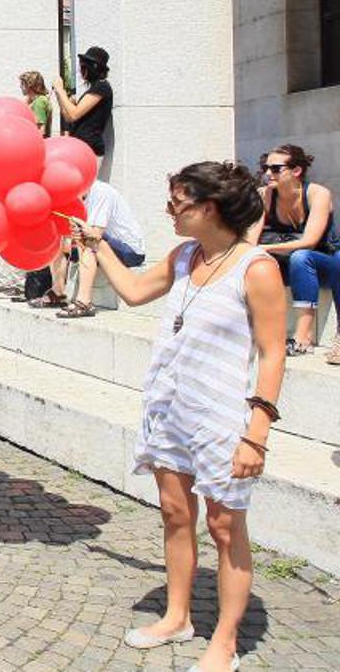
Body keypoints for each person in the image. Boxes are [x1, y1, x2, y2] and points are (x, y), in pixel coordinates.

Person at [75, 161, 283, 672]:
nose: (169, 210)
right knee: (174, 513)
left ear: (208, 207)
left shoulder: (255, 267)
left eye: (177, 202)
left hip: (222, 417)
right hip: (169, 408)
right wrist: (96, 244)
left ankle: (226, 642)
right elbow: (133, 291)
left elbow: (273, 352)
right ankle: (177, 616)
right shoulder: (185, 256)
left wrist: (256, 434)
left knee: (225, 526)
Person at [246, 144, 340, 358]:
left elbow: (310, 241)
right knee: (253, 261)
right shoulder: (266, 195)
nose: (268, 173)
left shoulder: (318, 194)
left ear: (296, 171)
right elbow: (251, 238)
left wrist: (264, 248)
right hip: (292, 268)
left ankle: (303, 337)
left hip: (327, 264)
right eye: (265, 167)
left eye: (276, 168)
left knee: (301, 256)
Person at [52, 179, 147, 318]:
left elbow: (95, 235)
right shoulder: (77, 199)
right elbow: (70, 241)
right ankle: (58, 294)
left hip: (130, 251)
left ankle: (84, 302)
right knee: (56, 242)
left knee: (90, 242)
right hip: (106, 245)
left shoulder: (101, 192)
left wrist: (76, 239)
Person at [53, 46, 113, 163]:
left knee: (86, 182)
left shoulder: (102, 86)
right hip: (80, 148)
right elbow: (68, 117)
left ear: (93, 67)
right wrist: (60, 96)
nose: (80, 70)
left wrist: (61, 91)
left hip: (90, 148)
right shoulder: (94, 87)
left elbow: (74, 114)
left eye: (83, 66)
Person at [20, 70, 52, 137]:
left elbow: (40, 129)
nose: (20, 86)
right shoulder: (36, 100)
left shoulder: (39, 102)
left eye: (22, 84)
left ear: (30, 85)